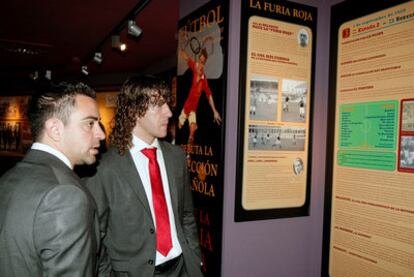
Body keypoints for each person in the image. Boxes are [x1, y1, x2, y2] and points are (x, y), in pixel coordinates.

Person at [86, 76, 203, 277]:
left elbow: (186, 215)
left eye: (166, 103)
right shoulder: (105, 167)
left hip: (182, 268)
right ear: (135, 111)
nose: (168, 111)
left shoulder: (176, 157)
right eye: (158, 105)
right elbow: (96, 236)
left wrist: (194, 254)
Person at [0, 82, 106, 276]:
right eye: (90, 123)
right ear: (55, 129)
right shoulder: (65, 195)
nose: (100, 134)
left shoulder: (8, 178)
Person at [178, 46, 221, 145]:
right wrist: (181, 51)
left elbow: (209, 95)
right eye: (199, 61)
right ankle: (187, 127)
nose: (199, 64)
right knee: (180, 125)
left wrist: (214, 111)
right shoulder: (194, 67)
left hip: (193, 109)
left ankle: (191, 136)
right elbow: (186, 58)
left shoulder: (204, 80)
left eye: (202, 62)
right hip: (186, 107)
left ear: (204, 64)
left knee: (193, 124)